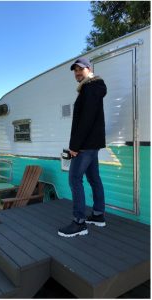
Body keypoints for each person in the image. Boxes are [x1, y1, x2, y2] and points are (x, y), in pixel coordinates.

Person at [58, 57, 107, 237]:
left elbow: (85, 120)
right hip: (92, 143)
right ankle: (98, 215)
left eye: (80, 69)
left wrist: (75, 146)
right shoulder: (91, 88)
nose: (77, 73)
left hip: (85, 145)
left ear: (89, 69)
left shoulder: (90, 88)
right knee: (94, 178)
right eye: (75, 70)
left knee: (74, 179)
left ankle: (79, 223)